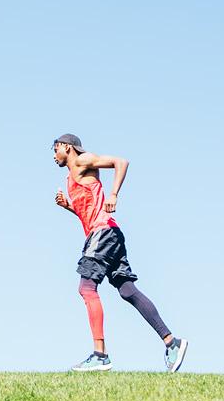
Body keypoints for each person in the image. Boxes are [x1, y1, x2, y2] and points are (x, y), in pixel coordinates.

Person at [53, 134, 188, 373]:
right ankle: (172, 343)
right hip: (108, 234)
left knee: (86, 288)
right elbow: (88, 213)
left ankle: (100, 355)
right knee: (128, 291)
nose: (54, 156)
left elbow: (121, 162)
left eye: (55, 150)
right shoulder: (71, 177)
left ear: (66, 147)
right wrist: (69, 207)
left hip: (103, 233)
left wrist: (114, 194)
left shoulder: (83, 160)